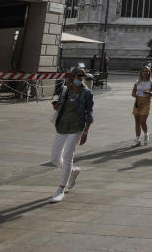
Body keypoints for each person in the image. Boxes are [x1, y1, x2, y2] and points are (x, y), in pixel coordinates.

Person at [49, 67, 93, 202]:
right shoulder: (65, 90)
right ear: (72, 76)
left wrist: (86, 131)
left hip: (76, 127)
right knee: (55, 158)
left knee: (68, 155)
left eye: (83, 76)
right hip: (62, 125)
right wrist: (56, 106)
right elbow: (60, 106)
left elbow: (89, 114)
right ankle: (72, 171)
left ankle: (61, 189)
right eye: (79, 76)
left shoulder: (87, 93)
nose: (81, 78)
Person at [131, 66, 152, 145]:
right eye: (144, 71)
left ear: (149, 73)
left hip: (146, 102)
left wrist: (149, 93)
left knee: (142, 121)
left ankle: (146, 134)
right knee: (137, 122)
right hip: (138, 102)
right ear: (141, 73)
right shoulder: (137, 82)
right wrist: (135, 95)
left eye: (147, 71)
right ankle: (138, 139)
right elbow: (133, 92)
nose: (145, 73)